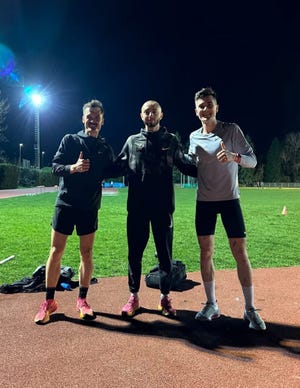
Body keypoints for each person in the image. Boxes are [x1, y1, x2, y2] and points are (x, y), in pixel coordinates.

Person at [188, 87, 266, 330]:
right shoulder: (193, 136)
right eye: (201, 105)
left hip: (230, 200)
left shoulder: (231, 130)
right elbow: (194, 164)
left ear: (216, 107)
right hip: (204, 202)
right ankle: (212, 304)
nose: (205, 109)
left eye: (209, 104)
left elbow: (252, 161)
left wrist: (234, 157)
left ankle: (250, 309)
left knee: (239, 252)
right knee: (205, 252)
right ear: (196, 110)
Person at [34, 99, 115, 324]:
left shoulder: (104, 148)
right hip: (66, 205)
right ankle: (49, 301)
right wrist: (73, 168)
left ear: (102, 120)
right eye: (89, 116)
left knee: (86, 254)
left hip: (89, 207)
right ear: (83, 118)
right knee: (55, 251)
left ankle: (82, 300)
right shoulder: (70, 140)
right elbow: (55, 167)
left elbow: (117, 168)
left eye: (97, 116)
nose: (93, 120)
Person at [116, 100, 196, 317]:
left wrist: (210, 168)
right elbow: (117, 165)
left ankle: (165, 298)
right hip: (137, 209)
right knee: (135, 254)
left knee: (165, 255)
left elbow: (186, 165)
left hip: (163, 209)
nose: (150, 115)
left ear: (161, 115)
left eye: (154, 112)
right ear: (141, 115)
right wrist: (91, 170)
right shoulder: (132, 142)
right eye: (146, 112)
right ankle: (133, 297)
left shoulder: (170, 141)